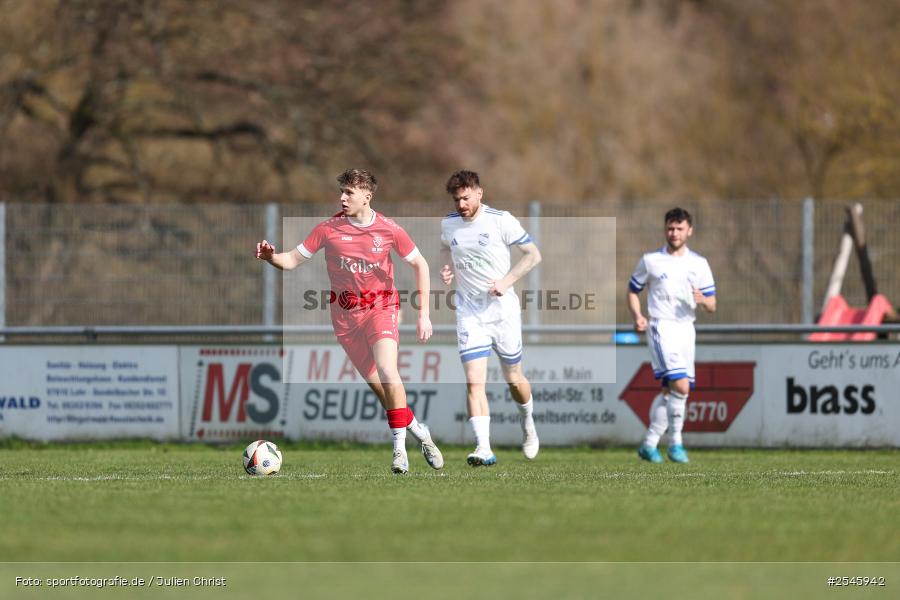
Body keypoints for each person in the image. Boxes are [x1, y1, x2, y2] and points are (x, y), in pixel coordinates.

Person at [255, 168, 443, 474]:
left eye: (349, 193)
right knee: (383, 391)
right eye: (342, 192)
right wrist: (270, 257)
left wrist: (424, 314)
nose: (342, 198)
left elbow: (420, 264)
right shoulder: (328, 229)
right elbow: (290, 260)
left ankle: (399, 452)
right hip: (345, 318)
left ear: (367, 196)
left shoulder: (389, 229)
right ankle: (420, 432)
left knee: (388, 371)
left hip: (382, 308)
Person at [440, 170, 542, 466]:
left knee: (514, 379)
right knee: (474, 382)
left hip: (503, 313)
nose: (461, 204)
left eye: (466, 197)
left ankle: (528, 423)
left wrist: (506, 281)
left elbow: (533, 255)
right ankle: (483, 448)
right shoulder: (449, 225)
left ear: (479, 193)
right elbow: (445, 249)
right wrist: (446, 268)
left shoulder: (501, 220)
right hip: (470, 313)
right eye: (457, 199)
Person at [627, 207, 716, 463]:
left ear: (689, 230)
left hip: (686, 329)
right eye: (670, 228)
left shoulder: (699, 264)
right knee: (681, 385)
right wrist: (638, 316)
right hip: (661, 326)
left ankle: (649, 444)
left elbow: (712, 305)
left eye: (679, 228)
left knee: (672, 392)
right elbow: (632, 290)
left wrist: (703, 300)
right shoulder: (651, 260)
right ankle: (676, 444)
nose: (674, 233)